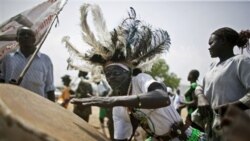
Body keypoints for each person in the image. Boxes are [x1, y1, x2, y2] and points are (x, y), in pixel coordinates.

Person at [68, 4, 206, 141]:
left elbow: (162, 98)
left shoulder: (140, 80)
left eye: (116, 72)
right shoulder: (118, 109)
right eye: (107, 74)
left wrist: (112, 100)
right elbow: (121, 137)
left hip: (186, 137)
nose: (111, 77)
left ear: (128, 72)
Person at [198, 27, 250, 140]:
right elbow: (200, 87)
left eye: (211, 43)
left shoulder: (241, 61)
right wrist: (200, 97)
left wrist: (231, 107)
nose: (209, 47)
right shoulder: (212, 66)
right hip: (214, 129)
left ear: (223, 40)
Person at [0, 26, 55, 101]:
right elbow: (1, 80)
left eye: (29, 34)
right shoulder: (8, 58)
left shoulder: (45, 60)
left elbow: (50, 88)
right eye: (22, 34)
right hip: (12, 103)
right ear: (17, 39)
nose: (26, 36)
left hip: (37, 105)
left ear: (34, 39)